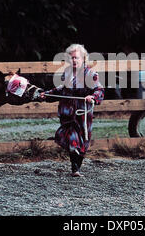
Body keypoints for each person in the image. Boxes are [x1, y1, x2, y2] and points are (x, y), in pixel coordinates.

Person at [40, 44, 104, 177]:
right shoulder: (66, 73)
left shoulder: (91, 74)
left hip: (83, 112)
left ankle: (76, 168)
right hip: (67, 112)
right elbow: (60, 89)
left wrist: (92, 97)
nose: (74, 61)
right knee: (71, 137)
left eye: (76, 58)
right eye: (71, 58)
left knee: (82, 141)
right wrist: (47, 94)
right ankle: (75, 168)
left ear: (83, 59)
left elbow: (99, 90)